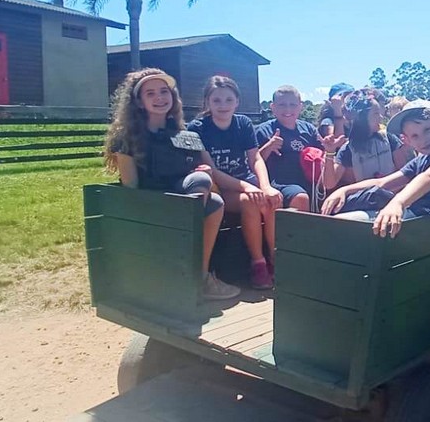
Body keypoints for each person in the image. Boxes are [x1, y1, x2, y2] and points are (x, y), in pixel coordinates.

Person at [103, 68, 240, 301]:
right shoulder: (127, 137)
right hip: (152, 204)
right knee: (206, 193)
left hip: (183, 199)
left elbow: (207, 170)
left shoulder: (184, 135)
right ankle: (182, 269)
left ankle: (200, 275)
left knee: (214, 200)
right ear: (139, 101)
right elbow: (131, 187)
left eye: (164, 91)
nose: (159, 98)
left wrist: (206, 172)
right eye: (150, 93)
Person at [321, 100, 430, 238]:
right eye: (414, 136)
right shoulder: (422, 160)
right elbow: (382, 183)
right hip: (415, 224)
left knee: (342, 230)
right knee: (337, 224)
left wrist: (398, 203)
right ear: (406, 139)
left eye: (427, 130)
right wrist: (345, 190)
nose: (423, 139)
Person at [187, 76, 279, 290]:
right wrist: (247, 187)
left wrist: (265, 186)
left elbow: (255, 159)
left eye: (229, 100)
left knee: (272, 200)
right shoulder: (197, 128)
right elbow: (212, 171)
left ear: (237, 101)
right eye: (216, 100)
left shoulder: (243, 123)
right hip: (220, 187)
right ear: (207, 102)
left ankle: (275, 259)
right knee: (250, 201)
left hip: (245, 180)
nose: (223, 105)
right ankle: (258, 264)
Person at [255, 85, 325, 212]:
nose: (288, 109)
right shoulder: (264, 130)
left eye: (292, 105)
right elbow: (252, 163)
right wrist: (268, 147)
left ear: (300, 106)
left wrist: (330, 148)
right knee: (301, 197)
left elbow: (323, 152)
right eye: (282, 105)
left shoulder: (309, 129)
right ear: (273, 107)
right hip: (280, 182)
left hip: (309, 180)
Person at [322, 91, 406, 189]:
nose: (381, 117)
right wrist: (329, 152)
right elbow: (329, 184)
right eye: (376, 113)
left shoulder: (388, 138)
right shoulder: (349, 150)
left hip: (395, 194)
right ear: (361, 118)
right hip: (368, 197)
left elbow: (404, 171)